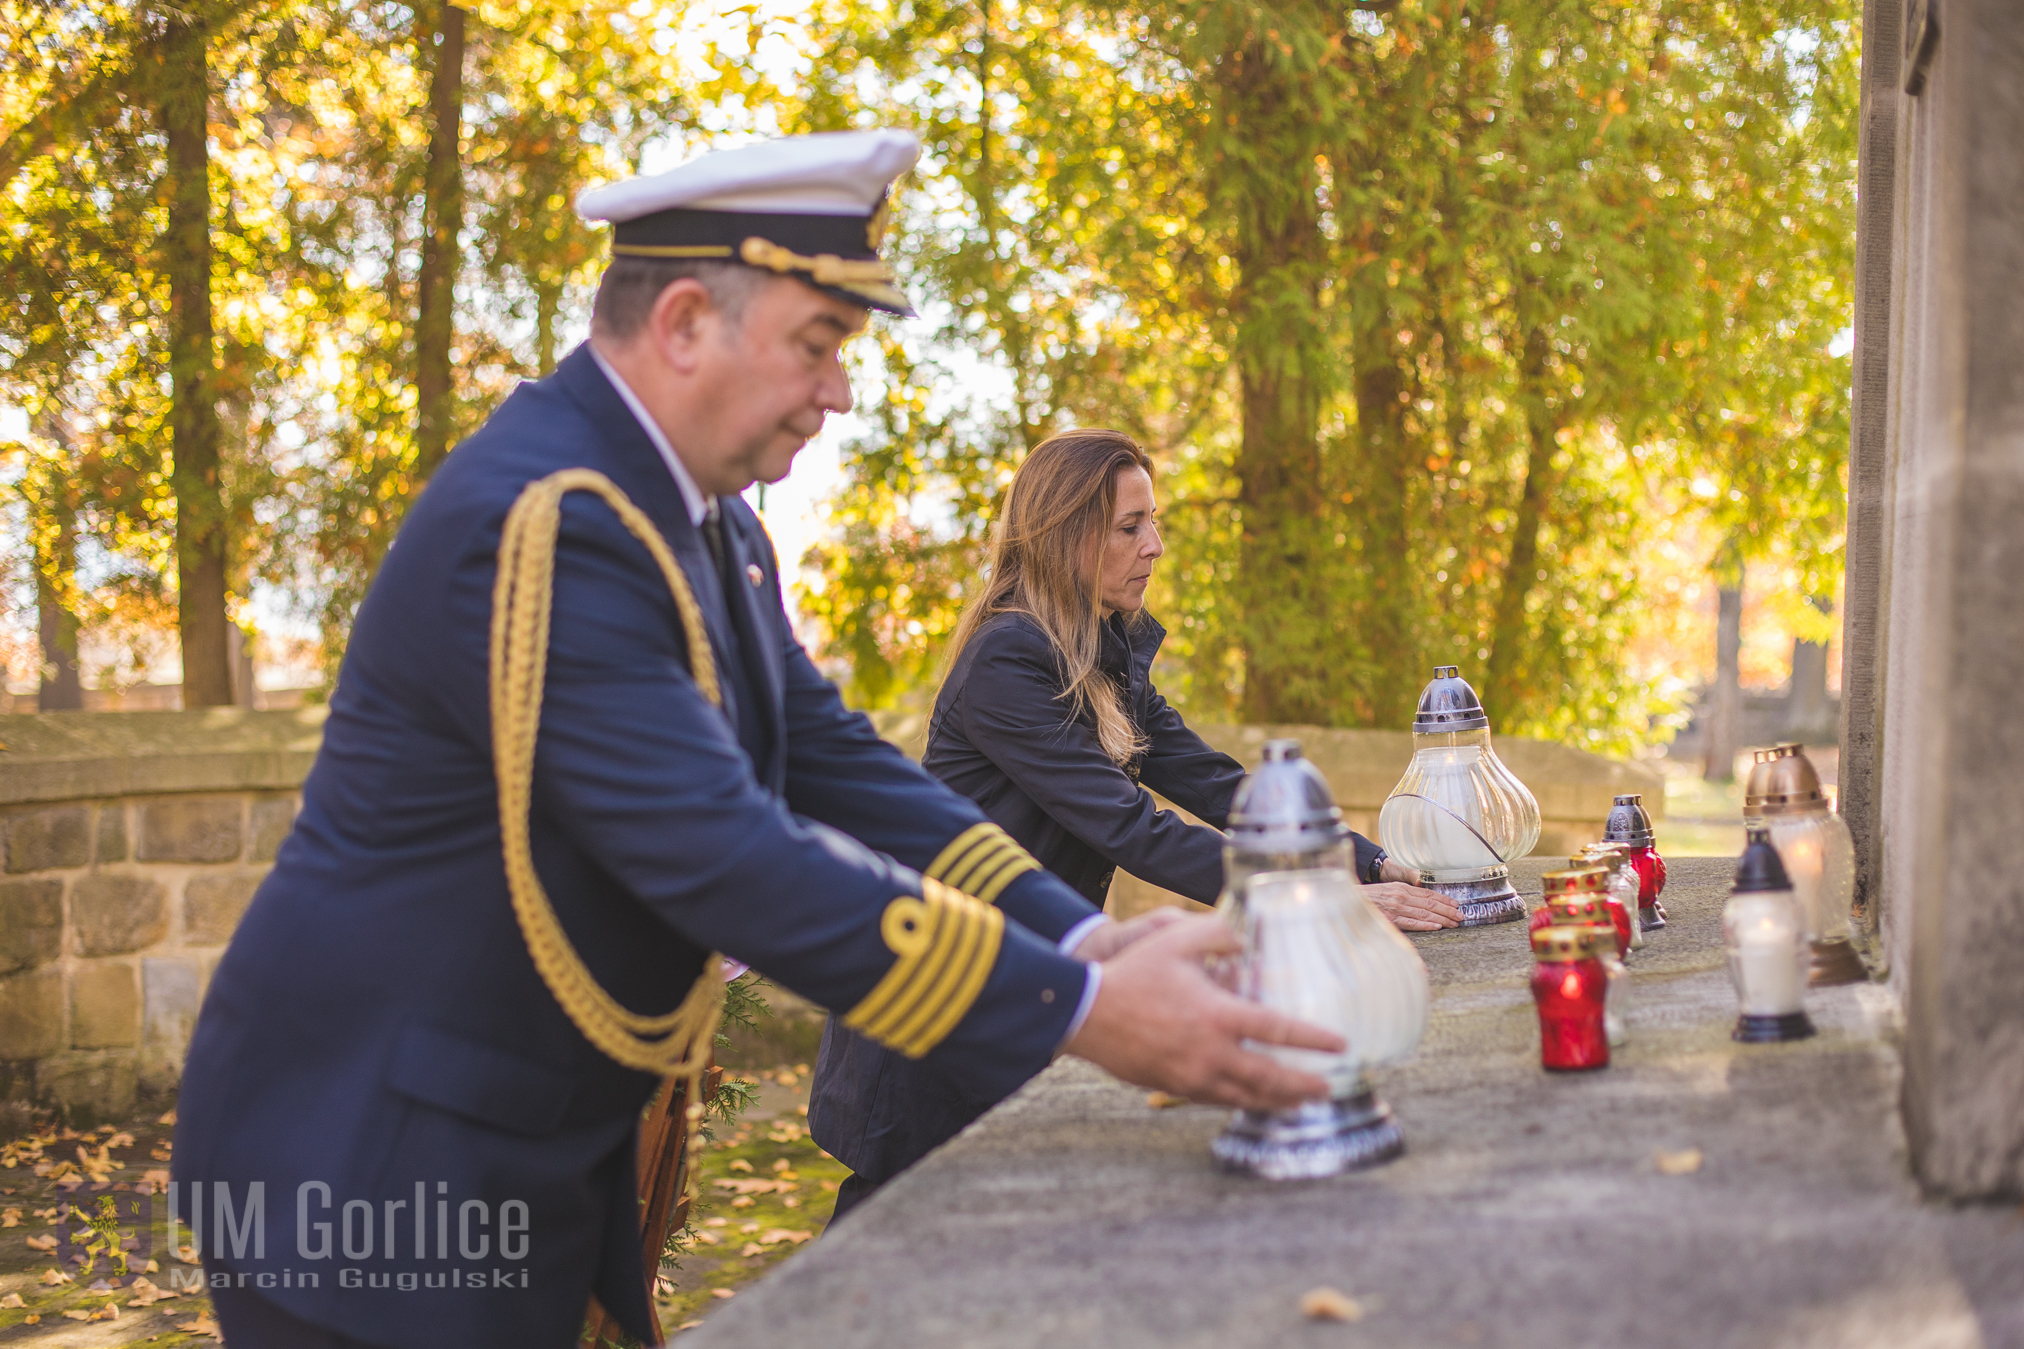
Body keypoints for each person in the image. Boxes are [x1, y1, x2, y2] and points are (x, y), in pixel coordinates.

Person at [172, 132, 1344, 1349]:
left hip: (518, 1135)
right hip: (366, 1159)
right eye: (817, 346)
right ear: (684, 321)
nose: (838, 390)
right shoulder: (544, 520)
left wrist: (1086, 931)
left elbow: (838, 761)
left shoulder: (709, 524)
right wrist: (1080, 1005)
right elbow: (727, 849)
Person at [811, 429, 1460, 1214]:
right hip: (935, 1019)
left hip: (1021, 991)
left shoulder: (1102, 651)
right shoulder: (1006, 661)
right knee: (891, 1252)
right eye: (1130, 526)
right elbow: (1132, 828)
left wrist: (1364, 861)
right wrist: (1309, 899)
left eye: (1154, 522)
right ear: (1065, 535)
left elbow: (1214, 781)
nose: (1154, 545)